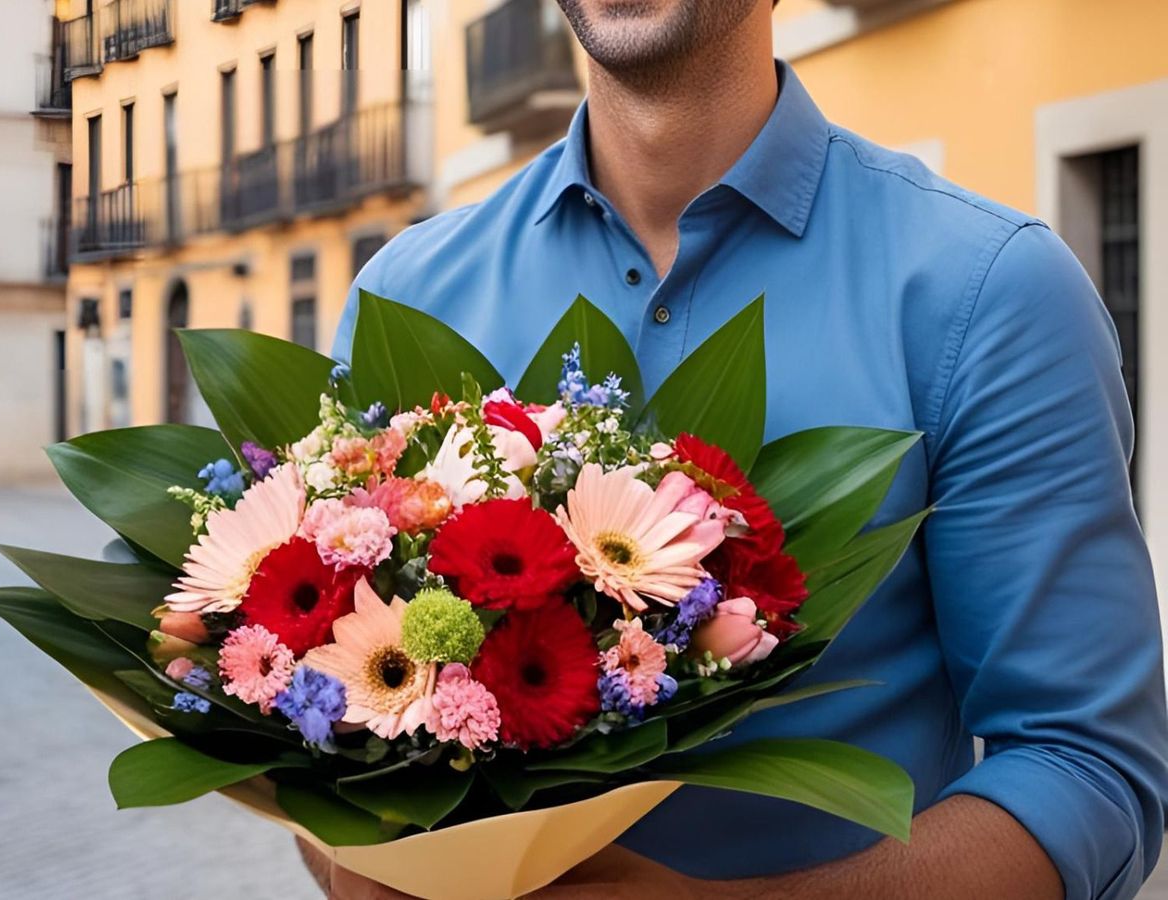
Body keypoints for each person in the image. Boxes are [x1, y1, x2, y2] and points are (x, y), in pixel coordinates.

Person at [317, 0, 1168, 897]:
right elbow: (308, 735)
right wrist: (360, 869)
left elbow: (1086, 768)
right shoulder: (405, 297)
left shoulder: (989, 292)